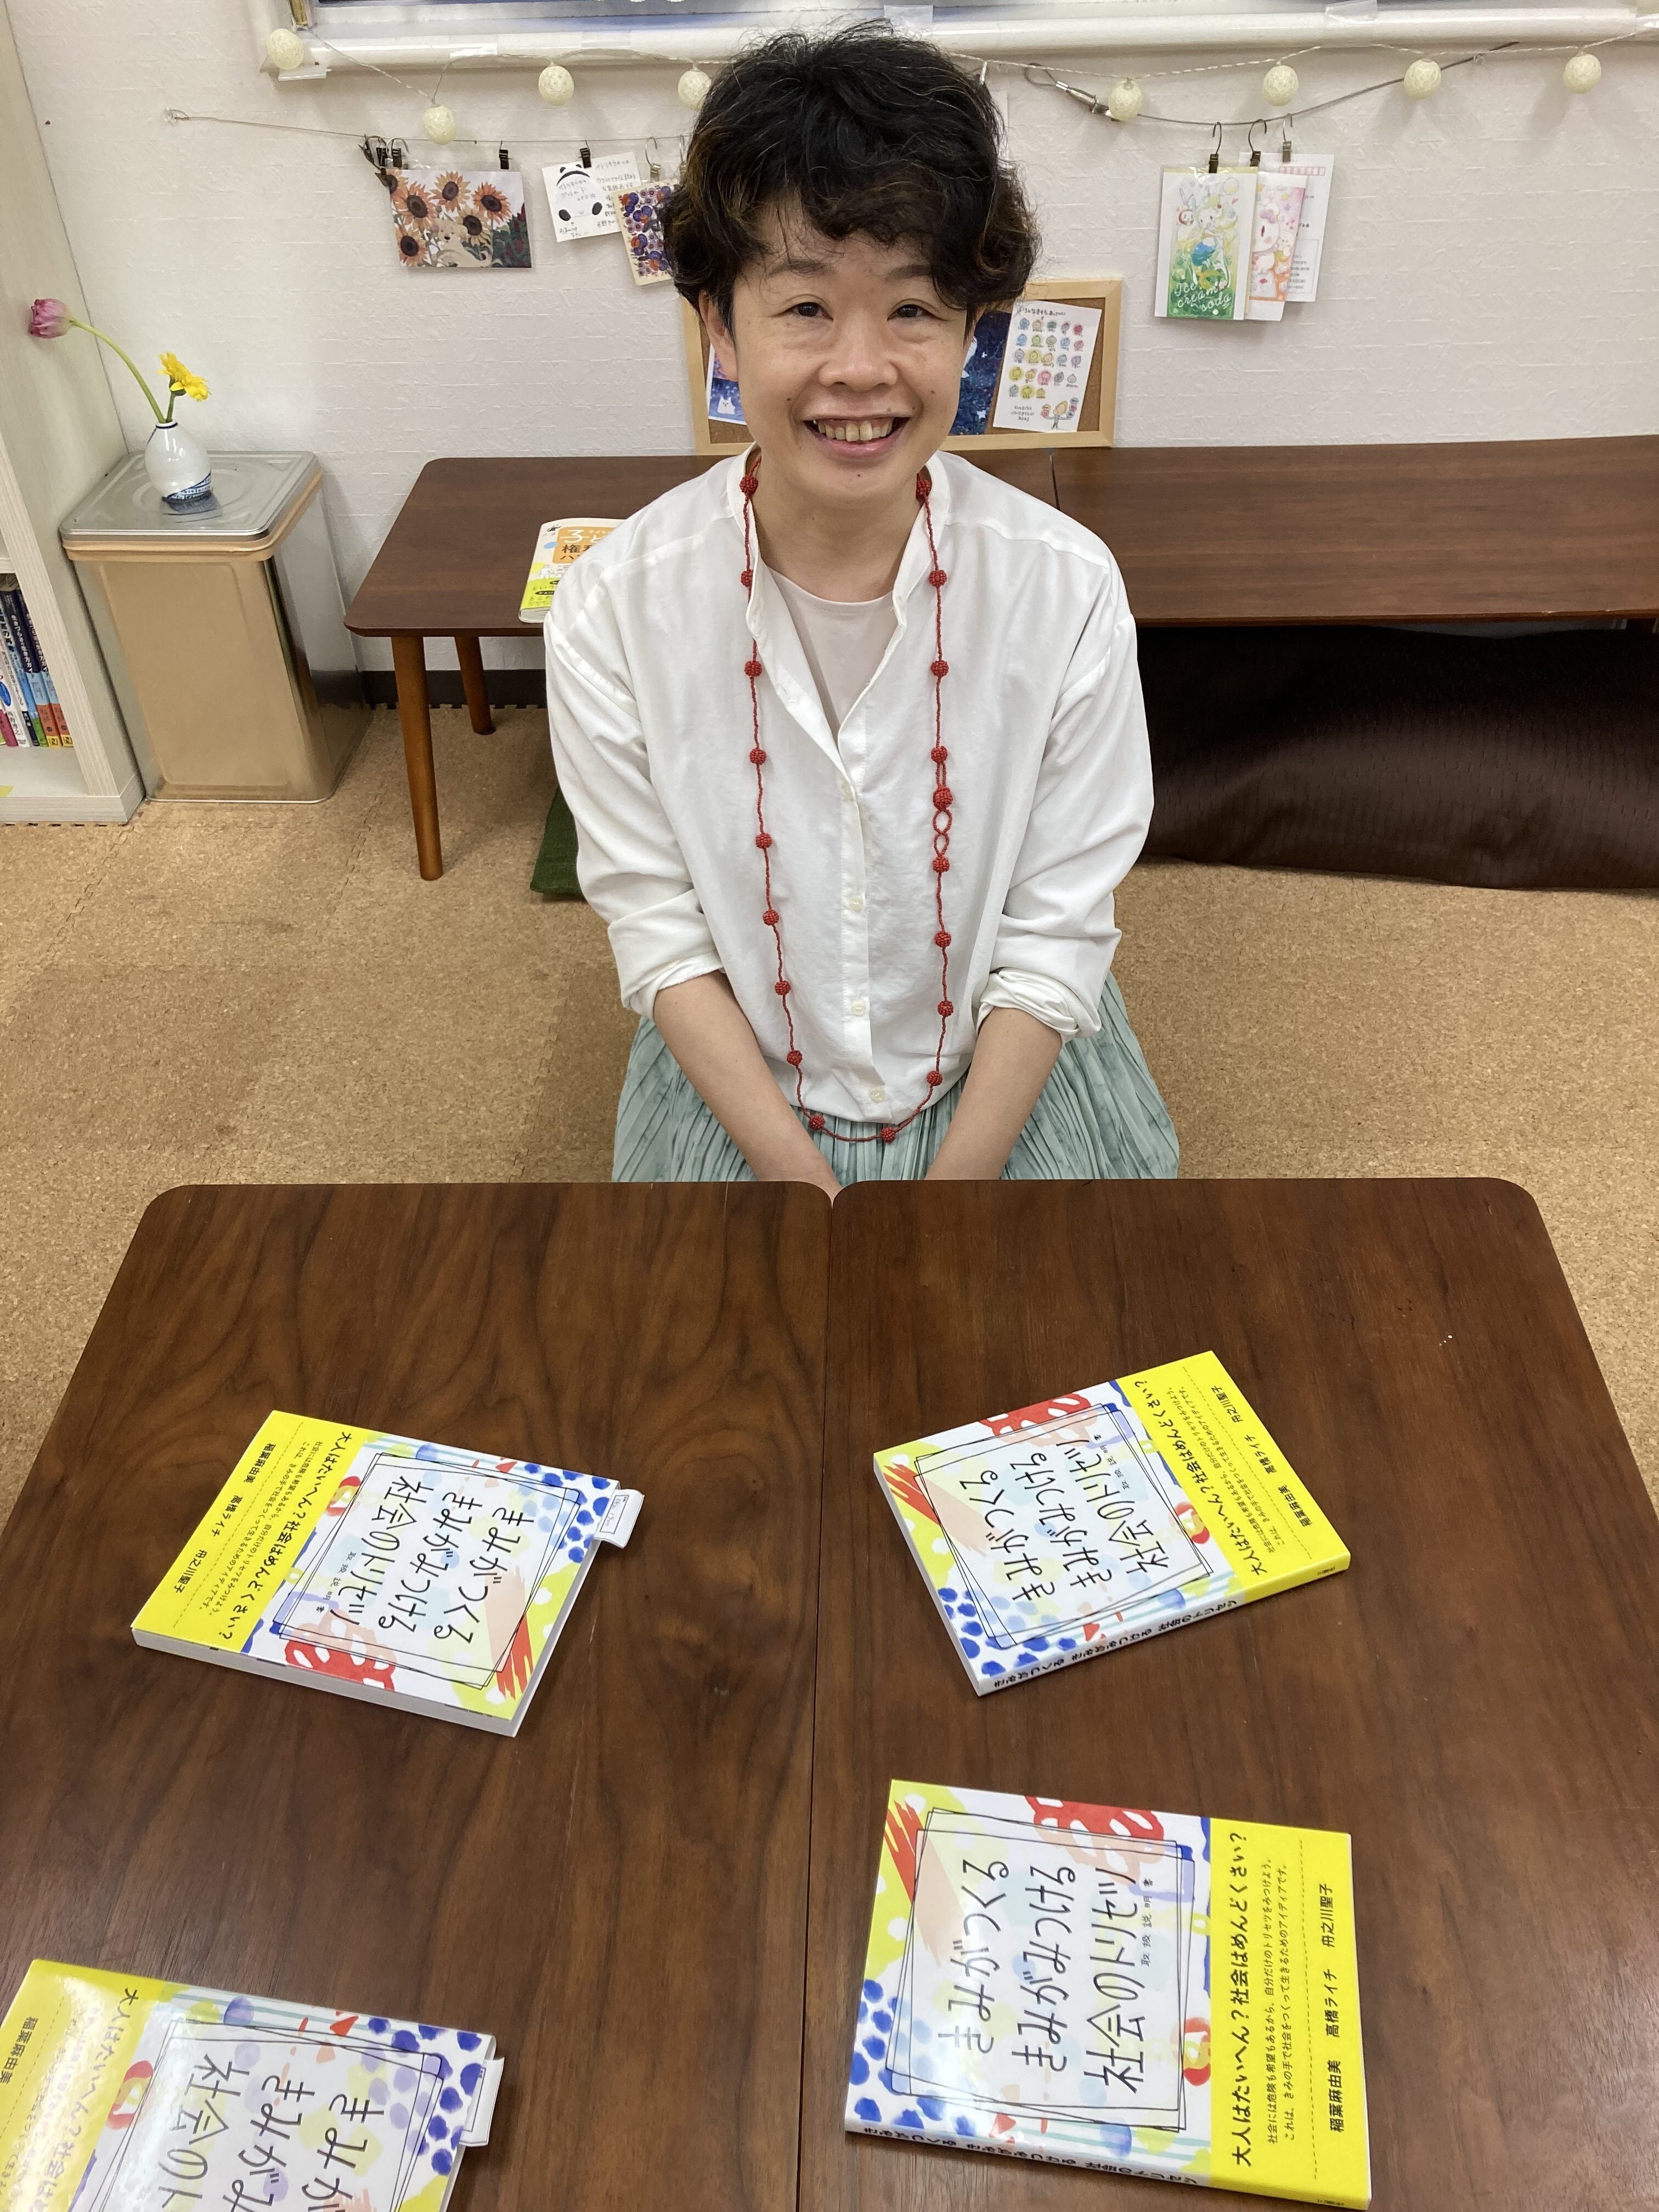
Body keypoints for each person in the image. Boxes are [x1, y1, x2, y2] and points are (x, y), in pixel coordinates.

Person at [545, 24, 1177, 1195]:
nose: (860, 368)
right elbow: (660, 929)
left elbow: (1056, 927)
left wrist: (947, 1202)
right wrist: (807, 1189)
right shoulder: (613, 609)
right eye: (804, 308)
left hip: (1003, 1073)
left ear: (971, 330)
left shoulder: (1067, 587)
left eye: (913, 310)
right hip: (752, 1095)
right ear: (719, 326)